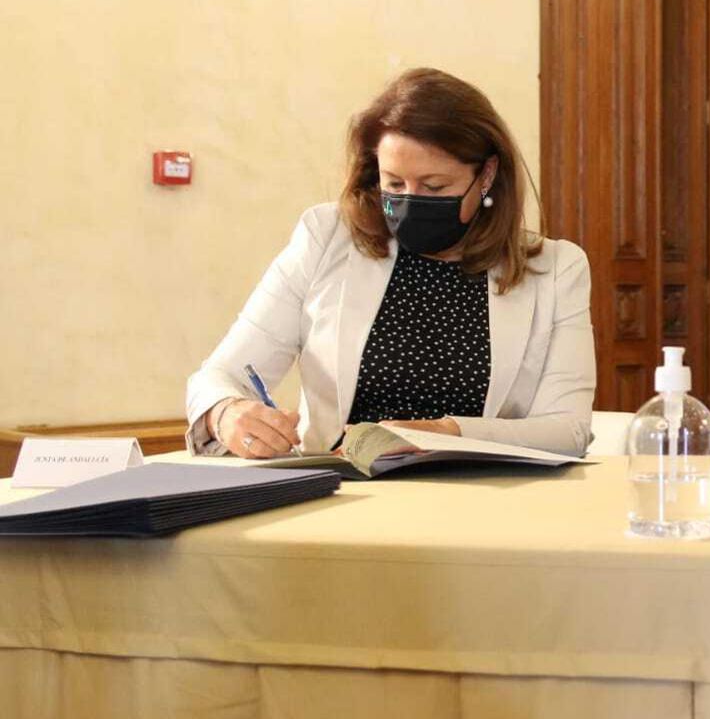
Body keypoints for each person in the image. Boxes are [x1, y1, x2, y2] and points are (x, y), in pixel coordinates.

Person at [185, 68, 596, 458]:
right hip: (342, 495)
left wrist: (448, 434)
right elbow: (219, 377)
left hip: (485, 499)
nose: (411, 200)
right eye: (395, 183)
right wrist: (226, 413)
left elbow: (569, 430)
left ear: (487, 175)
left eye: (435, 186)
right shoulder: (326, 237)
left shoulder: (556, 269)